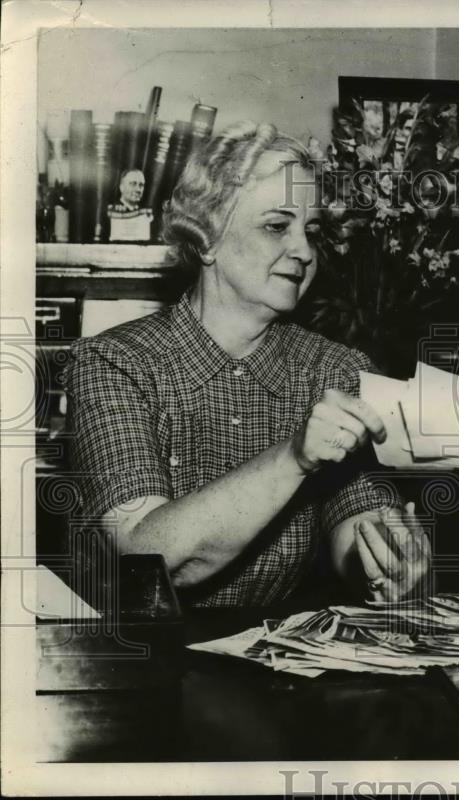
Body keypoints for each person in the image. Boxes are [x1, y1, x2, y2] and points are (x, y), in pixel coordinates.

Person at [68, 121, 430, 607]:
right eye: (277, 226)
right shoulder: (114, 364)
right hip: (135, 664)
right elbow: (147, 559)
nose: (303, 251)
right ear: (207, 237)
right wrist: (294, 457)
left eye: (312, 231)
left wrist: (390, 562)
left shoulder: (333, 370)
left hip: (274, 671)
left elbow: (357, 519)